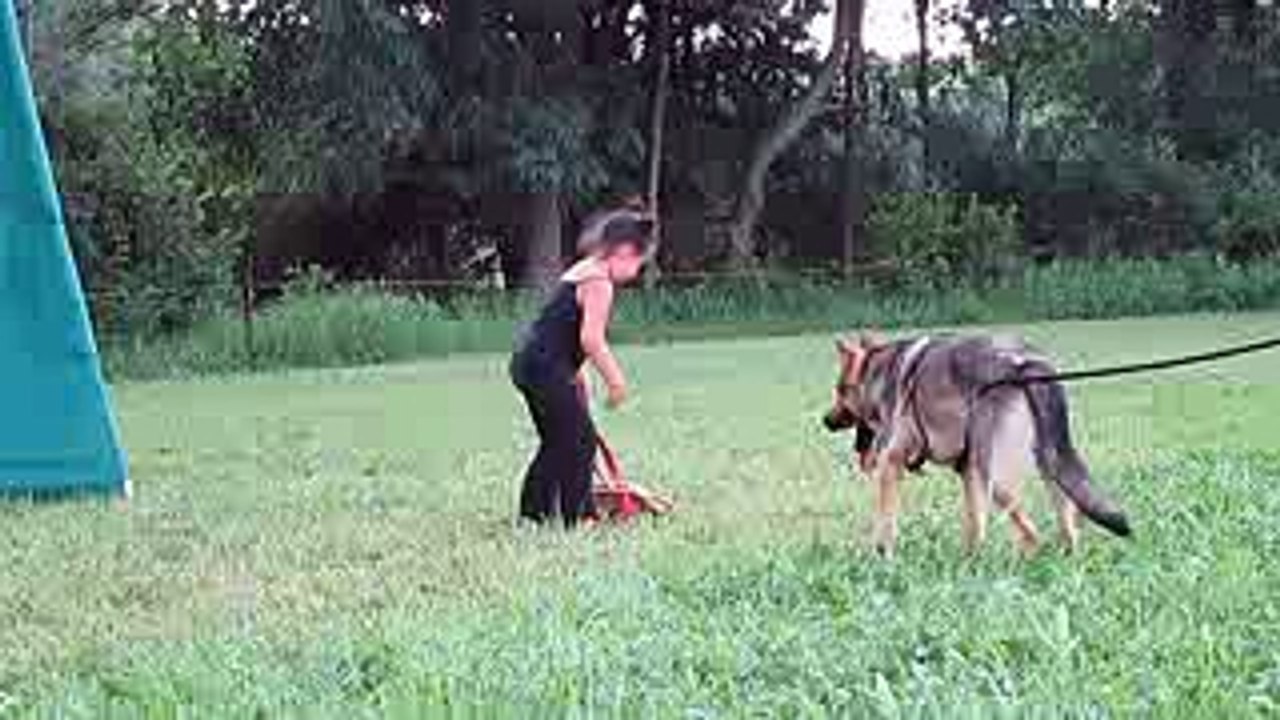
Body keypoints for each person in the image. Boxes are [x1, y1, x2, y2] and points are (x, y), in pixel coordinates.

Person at [509, 207, 654, 528]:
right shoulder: (599, 281)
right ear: (623, 251)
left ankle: (534, 516)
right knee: (580, 441)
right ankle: (580, 517)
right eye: (638, 264)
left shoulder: (582, 270)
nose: (635, 273)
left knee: (558, 441)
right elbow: (591, 339)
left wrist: (578, 376)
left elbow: (562, 332)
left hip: (530, 364)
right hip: (545, 368)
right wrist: (616, 382)